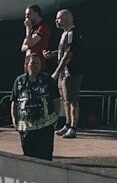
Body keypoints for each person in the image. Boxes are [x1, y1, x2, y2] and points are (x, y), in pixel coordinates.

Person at [11, 52, 58, 160]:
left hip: (45, 127)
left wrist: (55, 119)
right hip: (26, 127)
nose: (36, 65)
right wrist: (14, 120)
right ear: (26, 65)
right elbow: (14, 102)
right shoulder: (19, 81)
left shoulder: (48, 80)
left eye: (38, 63)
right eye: (33, 63)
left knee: (45, 158)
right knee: (29, 159)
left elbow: (56, 100)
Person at [48, 8, 81, 138]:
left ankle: (73, 127)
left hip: (71, 72)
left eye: (59, 18)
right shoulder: (64, 33)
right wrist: (53, 54)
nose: (56, 21)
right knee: (65, 100)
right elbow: (63, 51)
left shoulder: (73, 32)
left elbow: (69, 54)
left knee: (72, 100)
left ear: (66, 18)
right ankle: (67, 124)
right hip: (64, 73)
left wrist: (57, 71)